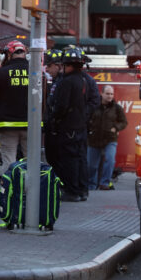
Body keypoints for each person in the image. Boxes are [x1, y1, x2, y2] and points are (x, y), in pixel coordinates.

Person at [0, 40, 29, 177]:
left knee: (9, 161)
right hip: (31, 126)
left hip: (7, 125)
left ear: (9, 54)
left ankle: (10, 194)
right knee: (31, 162)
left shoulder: (1, 73)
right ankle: (31, 194)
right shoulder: (36, 72)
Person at [49, 48, 89, 202]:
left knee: (69, 160)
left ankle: (71, 191)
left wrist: (55, 119)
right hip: (79, 126)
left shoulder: (67, 82)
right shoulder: (83, 80)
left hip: (68, 127)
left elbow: (61, 105)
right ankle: (81, 189)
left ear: (68, 65)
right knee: (79, 158)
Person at [87, 85, 127, 191]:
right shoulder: (94, 106)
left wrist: (116, 128)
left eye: (112, 94)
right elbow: (86, 119)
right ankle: (91, 184)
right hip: (94, 139)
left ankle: (104, 183)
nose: (110, 96)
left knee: (110, 160)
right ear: (102, 94)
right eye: (108, 94)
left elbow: (124, 122)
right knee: (92, 165)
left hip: (110, 139)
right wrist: (89, 130)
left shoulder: (117, 108)